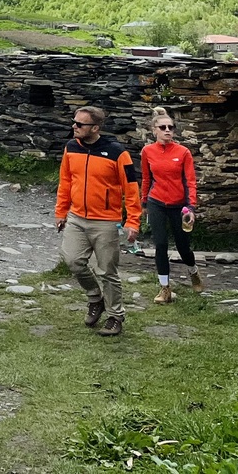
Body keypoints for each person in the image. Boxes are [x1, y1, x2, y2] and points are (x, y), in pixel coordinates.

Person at [56, 105, 141, 337]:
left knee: (107, 271)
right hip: (76, 218)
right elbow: (65, 181)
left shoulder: (117, 152)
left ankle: (115, 316)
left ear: (95, 127)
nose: (74, 126)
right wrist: (61, 212)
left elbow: (131, 189)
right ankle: (95, 298)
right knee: (72, 261)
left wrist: (133, 221)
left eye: (79, 124)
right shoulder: (71, 148)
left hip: (106, 221)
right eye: (74, 122)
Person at [140, 106, 203, 303]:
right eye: (163, 127)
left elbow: (190, 181)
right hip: (156, 202)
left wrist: (191, 207)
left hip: (180, 206)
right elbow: (146, 179)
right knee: (160, 244)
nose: (168, 130)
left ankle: (193, 271)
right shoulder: (147, 151)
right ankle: (165, 288)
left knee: (183, 247)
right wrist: (143, 203)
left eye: (171, 127)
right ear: (154, 130)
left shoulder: (183, 152)